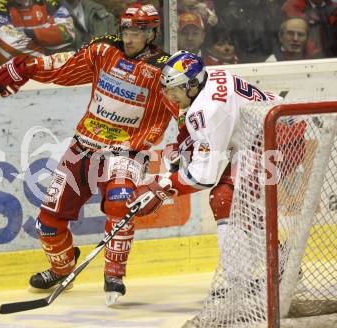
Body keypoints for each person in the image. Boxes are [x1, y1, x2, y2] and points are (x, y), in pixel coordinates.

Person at [0, 3, 178, 306]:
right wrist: (25, 67)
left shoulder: (163, 70)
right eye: (127, 30)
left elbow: (184, 107)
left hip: (126, 153)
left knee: (119, 205)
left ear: (152, 32)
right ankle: (61, 268)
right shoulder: (103, 50)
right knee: (48, 223)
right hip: (83, 148)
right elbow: (63, 66)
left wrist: (185, 151)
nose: (130, 38)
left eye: (138, 32)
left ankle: (114, 275)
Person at [127, 51, 307, 285]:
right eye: (167, 88)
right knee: (240, 204)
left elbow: (203, 177)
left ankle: (238, 284)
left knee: (225, 197)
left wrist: (161, 187)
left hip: (279, 138)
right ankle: (282, 267)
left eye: (175, 89)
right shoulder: (207, 76)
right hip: (272, 131)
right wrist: (181, 149)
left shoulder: (208, 110)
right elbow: (195, 130)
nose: (169, 95)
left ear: (192, 86)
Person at [0, 0, 75, 75]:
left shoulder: (50, 2)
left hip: (49, 75)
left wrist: (29, 33)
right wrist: (54, 60)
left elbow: (67, 33)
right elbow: (12, 46)